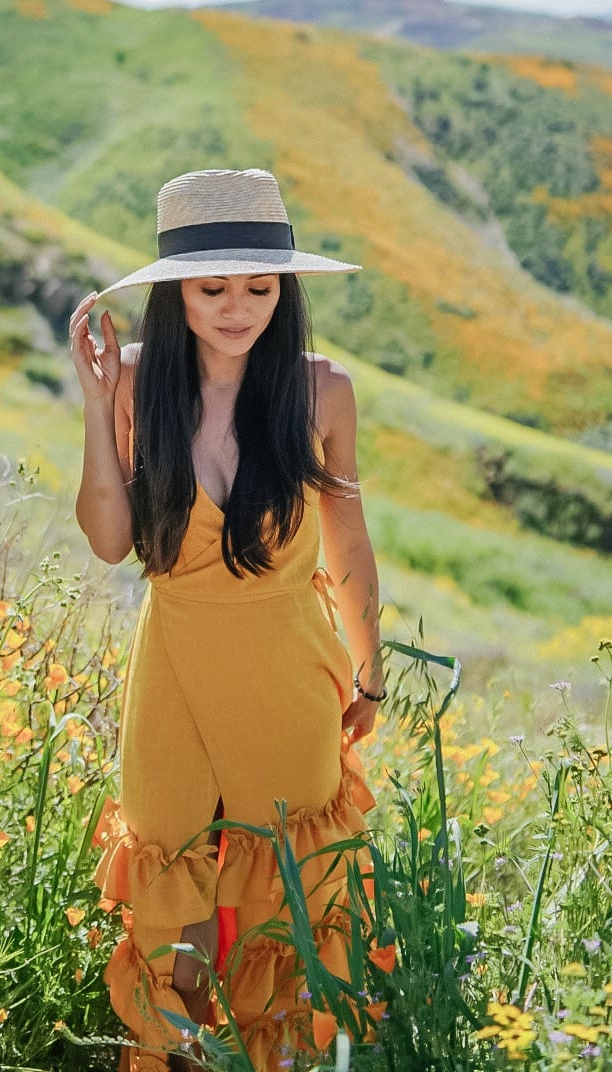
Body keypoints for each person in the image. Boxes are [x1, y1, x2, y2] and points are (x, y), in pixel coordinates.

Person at [69, 168, 385, 1072]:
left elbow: (349, 543)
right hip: (170, 663)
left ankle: (282, 1057)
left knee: (289, 888)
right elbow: (107, 540)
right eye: (213, 288)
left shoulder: (322, 391)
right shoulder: (135, 383)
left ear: (284, 288)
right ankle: (189, 1058)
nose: (238, 307)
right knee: (177, 878)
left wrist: (369, 670)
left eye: (260, 285)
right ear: (177, 292)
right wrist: (96, 405)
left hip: (287, 666)